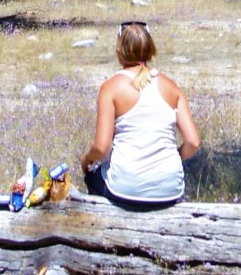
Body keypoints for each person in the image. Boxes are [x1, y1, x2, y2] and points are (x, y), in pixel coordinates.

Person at [80, 20, 199, 210]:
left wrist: (86, 160)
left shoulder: (111, 87)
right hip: (170, 188)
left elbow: (101, 147)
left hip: (126, 187)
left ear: (119, 49)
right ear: (150, 48)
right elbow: (193, 142)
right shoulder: (171, 86)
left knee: (92, 178)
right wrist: (173, 157)